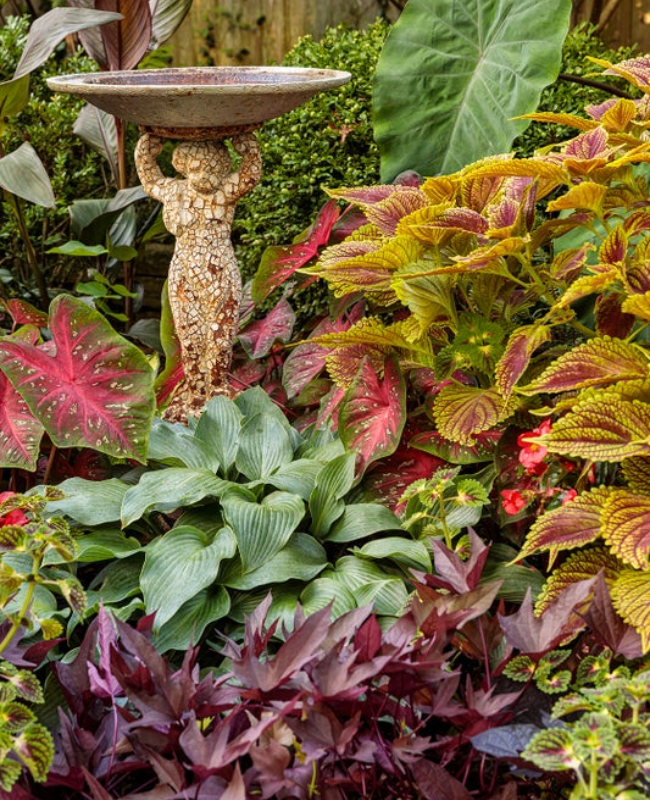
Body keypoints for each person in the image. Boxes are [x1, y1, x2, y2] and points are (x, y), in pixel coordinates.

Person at [135, 131, 262, 421]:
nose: (205, 176)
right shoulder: (175, 191)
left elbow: (250, 175)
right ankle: (194, 392)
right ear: (183, 167)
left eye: (214, 170)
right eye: (197, 169)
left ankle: (217, 389)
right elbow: (151, 180)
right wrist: (145, 153)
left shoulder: (225, 192)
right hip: (184, 271)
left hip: (219, 271)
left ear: (223, 169)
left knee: (220, 334)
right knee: (190, 334)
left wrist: (250, 149)